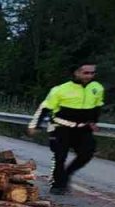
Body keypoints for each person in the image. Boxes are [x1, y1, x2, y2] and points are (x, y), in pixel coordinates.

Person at [26, 63, 104, 194]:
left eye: (93, 73)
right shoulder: (60, 89)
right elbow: (45, 108)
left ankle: (66, 174)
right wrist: (34, 125)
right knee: (60, 156)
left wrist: (93, 121)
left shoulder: (97, 88)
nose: (90, 76)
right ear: (76, 73)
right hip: (61, 127)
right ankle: (58, 185)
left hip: (83, 128)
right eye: (86, 73)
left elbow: (97, 106)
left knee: (87, 153)